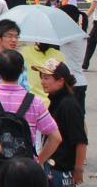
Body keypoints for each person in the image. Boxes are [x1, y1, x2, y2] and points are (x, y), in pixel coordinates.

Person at [0, 50, 62, 185]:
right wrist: (39, 161)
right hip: (25, 174)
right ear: (22, 70)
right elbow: (56, 137)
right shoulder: (34, 102)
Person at [35, 58, 88, 187]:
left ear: (60, 81)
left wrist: (78, 169)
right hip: (52, 168)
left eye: (47, 78)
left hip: (62, 171)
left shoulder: (68, 105)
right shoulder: (56, 100)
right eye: (42, 77)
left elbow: (80, 140)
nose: (42, 81)